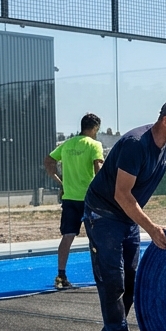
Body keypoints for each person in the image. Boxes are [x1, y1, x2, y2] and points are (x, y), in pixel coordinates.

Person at [83, 97, 166, 331]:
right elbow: (122, 194)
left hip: (127, 216)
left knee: (132, 281)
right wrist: (152, 228)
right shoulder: (136, 144)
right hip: (104, 213)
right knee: (112, 281)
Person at [44, 113, 106, 289]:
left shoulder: (67, 144)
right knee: (97, 238)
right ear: (95, 128)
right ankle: (103, 275)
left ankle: (61, 276)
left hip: (70, 198)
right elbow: (98, 168)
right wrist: (105, 190)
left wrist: (61, 182)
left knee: (67, 237)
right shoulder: (95, 145)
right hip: (90, 199)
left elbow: (48, 162)